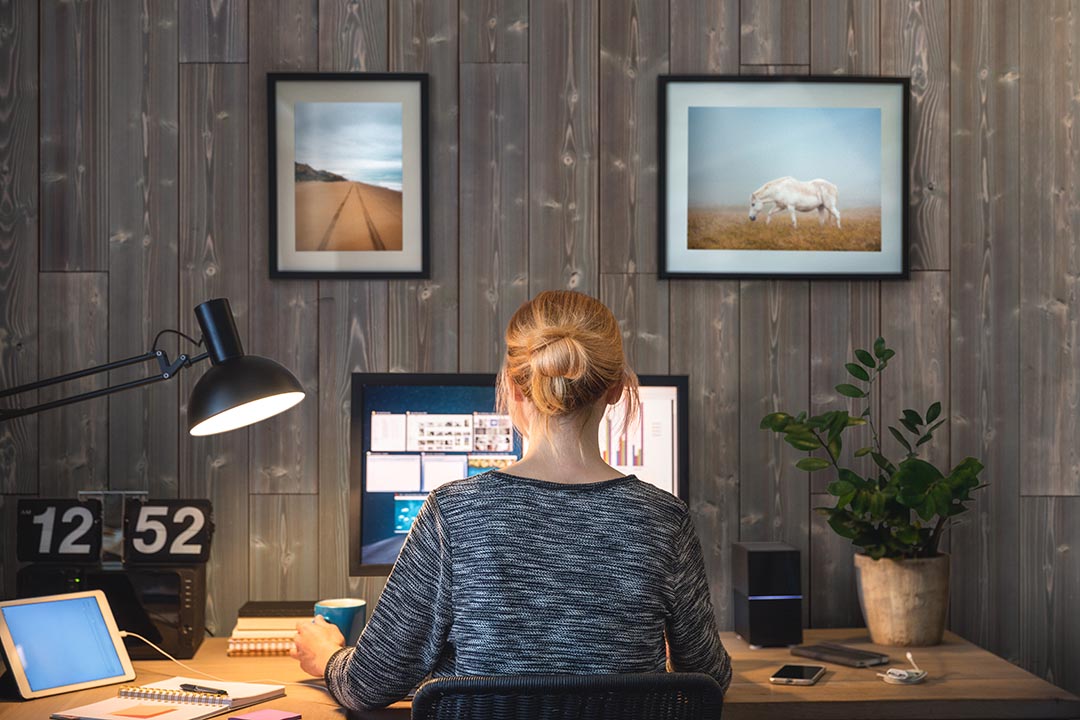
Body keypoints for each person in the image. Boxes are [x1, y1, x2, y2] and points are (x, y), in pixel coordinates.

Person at [292, 290, 732, 709]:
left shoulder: (453, 512)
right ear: (616, 389)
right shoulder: (664, 519)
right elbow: (708, 677)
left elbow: (369, 684)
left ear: (516, 388)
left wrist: (329, 656)